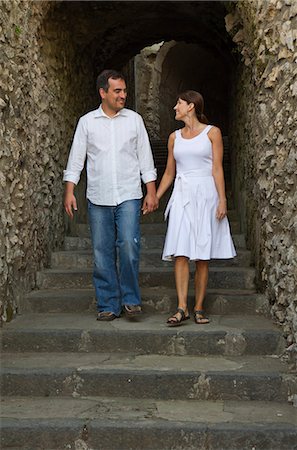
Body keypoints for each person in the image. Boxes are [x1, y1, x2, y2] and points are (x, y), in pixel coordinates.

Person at [63, 69, 158, 321]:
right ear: (103, 92)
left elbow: (145, 157)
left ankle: (130, 300)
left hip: (129, 193)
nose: (123, 95)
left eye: (125, 91)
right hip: (98, 196)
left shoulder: (134, 120)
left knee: (128, 245)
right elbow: (76, 158)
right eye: (118, 91)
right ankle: (107, 303)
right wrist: (70, 190)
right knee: (101, 252)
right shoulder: (87, 122)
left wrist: (151, 191)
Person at [156, 90, 236, 326]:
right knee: (180, 252)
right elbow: (170, 172)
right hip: (182, 194)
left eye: (178, 103)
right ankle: (182, 307)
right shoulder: (174, 137)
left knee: (201, 255)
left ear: (191, 106)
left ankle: (199, 307)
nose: (174, 107)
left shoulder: (213, 133)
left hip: (206, 194)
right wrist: (156, 196)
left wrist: (222, 199)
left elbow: (217, 169)